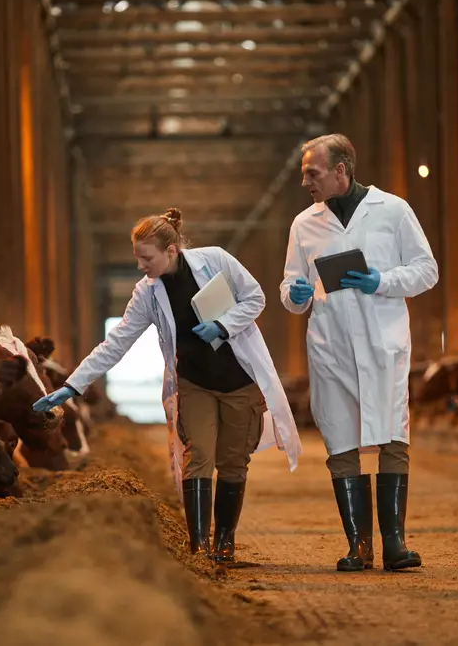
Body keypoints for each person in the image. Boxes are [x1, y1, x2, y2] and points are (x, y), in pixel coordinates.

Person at [33, 208, 302, 563]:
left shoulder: (217, 260)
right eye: (138, 258)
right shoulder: (147, 292)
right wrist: (72, 385)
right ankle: (198, 546)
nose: (141, 265)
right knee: (199, 456)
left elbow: (256, 298)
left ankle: (224, 543)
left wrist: (222, 325)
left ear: (171, 250)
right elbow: (117, 341)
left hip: (240, 381)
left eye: (147, 258)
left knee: (234, 462)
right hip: (194, 383)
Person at [280, 134, 438, 572]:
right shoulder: (303, 224)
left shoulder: (393, 210)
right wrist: (294, 294)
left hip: (383, 342)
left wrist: (381, 281)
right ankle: (358, 547)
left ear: (341, 171)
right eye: (303, 174)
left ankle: (395, 544)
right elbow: (291, 288)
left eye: (312, 173)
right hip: (331, 348)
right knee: (341, 441)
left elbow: (427, 270)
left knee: (393, 435)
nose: (306, 182)